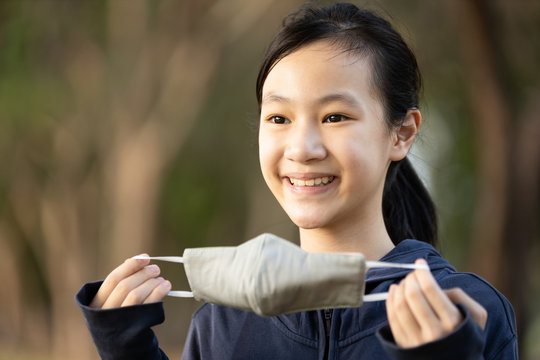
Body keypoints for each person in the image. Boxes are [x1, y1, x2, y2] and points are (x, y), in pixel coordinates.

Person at [76, 3, 518, 359]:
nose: (302, 147)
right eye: (280, 118)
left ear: (401, 133)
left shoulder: (464, 312)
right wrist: (127, 352)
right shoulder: (223, 322)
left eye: (334, 117)